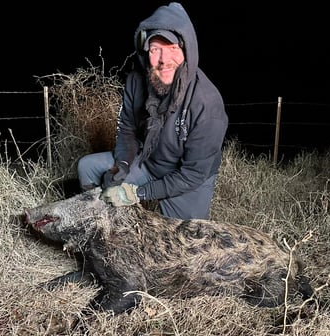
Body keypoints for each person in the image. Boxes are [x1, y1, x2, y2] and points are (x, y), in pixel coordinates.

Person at [77, 2, 228, 220]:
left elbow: (193, 174)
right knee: (88, 167)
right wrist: (122, 164)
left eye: (173, 48)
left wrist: (137, 193)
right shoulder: (136, 81)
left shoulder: (207, 102)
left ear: (186, 50)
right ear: (145, 51)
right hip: (148, 161)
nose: (163, 60)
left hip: (187, 179)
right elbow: (126, 129)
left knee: (184, 243)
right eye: (156, 49)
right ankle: (99, 226)